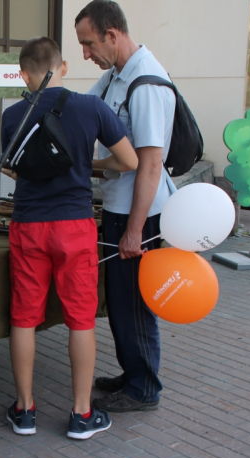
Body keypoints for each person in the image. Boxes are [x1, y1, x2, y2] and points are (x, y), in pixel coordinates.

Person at [0, 37, 138, 439]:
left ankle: (25, 410)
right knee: (80, 319)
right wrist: (87, 164)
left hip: (28, 224)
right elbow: (130, 160)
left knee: (24, 317)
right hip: (75, 225)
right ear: (62, 68)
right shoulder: (91, 107)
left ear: (23, 75)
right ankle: (81, 413)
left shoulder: (13, 115)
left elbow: (12, 167)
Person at [75, 0, 176, 412]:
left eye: (88, 44)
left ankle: (143, 388)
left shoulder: (146, 82)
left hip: (142, 213)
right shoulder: (116, 74)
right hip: (120, 206)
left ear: (112, 35)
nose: (86, 54)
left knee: (134, 303)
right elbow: (81, 107)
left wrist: (134, 231)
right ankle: (132, 371)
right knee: (118, 300)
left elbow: (150, 164)